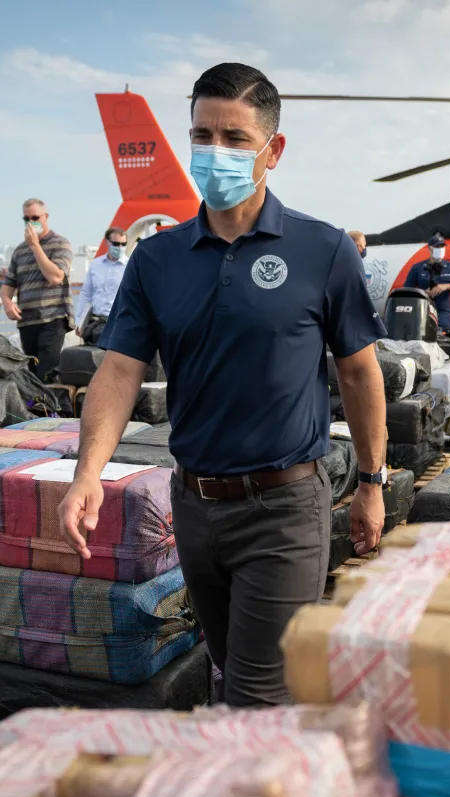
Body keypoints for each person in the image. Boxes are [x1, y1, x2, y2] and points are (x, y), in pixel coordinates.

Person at [58, 62, 387, 708]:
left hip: (285, 507)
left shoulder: (322, 250)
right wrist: (87, 472)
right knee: (229, 665)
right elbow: (120, 369)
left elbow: (358, 371)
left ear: (274, 150)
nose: (216, 152)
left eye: (235, 138)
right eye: (203, 135)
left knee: (257, 694)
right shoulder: (157, 259)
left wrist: (373, 483)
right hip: (195, 505)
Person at [2, 198, 74, 381]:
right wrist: (7, 302)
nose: (30, 222)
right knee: (33, 375)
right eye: (26, 219)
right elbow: (8, 284)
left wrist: (35, 246)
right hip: (27, 320)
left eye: (35, 217)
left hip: (53, 317)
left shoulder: (60, 243)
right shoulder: (19, 251)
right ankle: (35, 408)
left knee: (47, 372)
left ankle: (52, 410)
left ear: (45, 217)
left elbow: (55, 277)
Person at [402, 233, 450, 331]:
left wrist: (446, 286)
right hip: (422, 313)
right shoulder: (418, 268)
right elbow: (406, 290)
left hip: (443, 316)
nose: (440, 249)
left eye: (442, 246)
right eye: (437, 246)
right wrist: (422, 293)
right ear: (430, 249)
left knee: (444, 343)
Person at [76, 227, 128, 344]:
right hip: (96, 322)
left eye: (123, 244)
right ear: (107, 243)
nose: (120, 247)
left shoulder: (130, 266)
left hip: (118, 323)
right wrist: (79, 321)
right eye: (116, 244)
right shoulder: (95, 265)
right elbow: (86, 294)